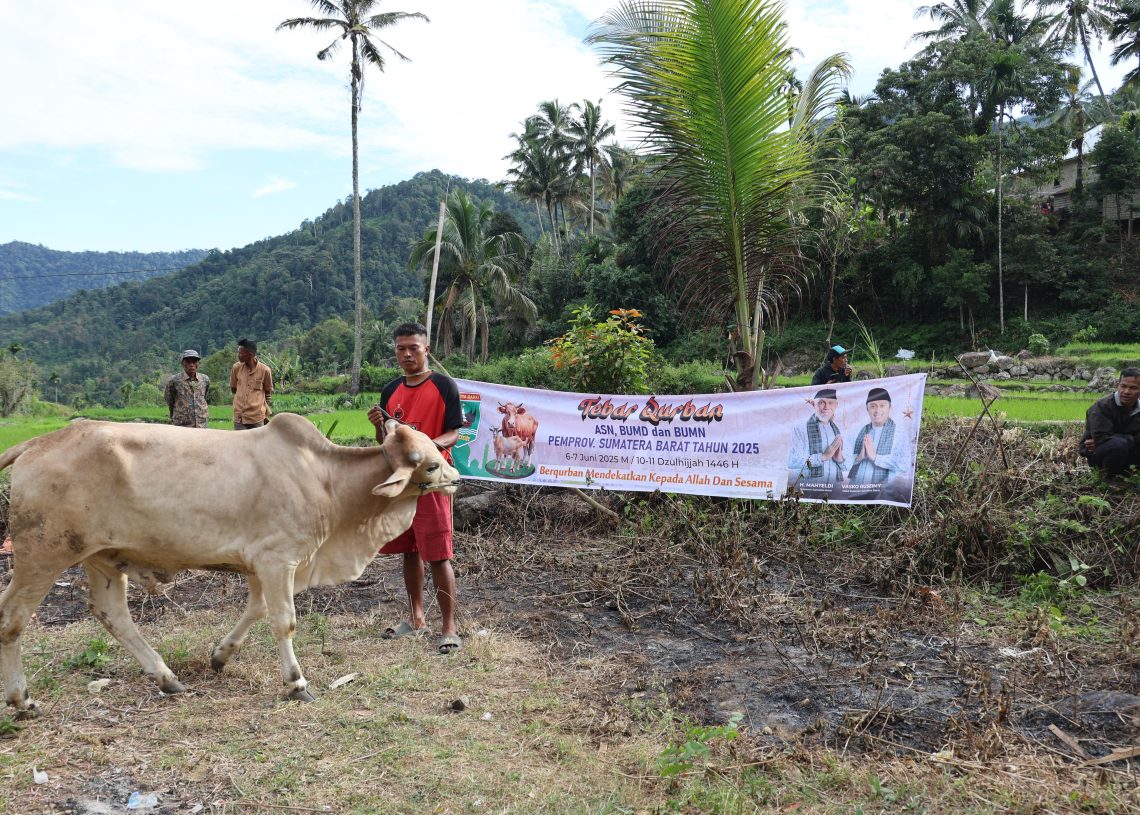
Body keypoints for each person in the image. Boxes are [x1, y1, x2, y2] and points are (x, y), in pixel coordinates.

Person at [368, 322, 465, 654]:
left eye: (413, 348)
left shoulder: (444, 386)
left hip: (432, 480)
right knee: (409, 550)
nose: (407, 354)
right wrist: (379, 427)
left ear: (427, 350)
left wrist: (426, 446)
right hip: (403, 483)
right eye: (400, 348)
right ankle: (417, 617)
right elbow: (387, 444)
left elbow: (454, 432)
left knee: (439, 555)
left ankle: (449, 627)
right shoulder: (390, 390)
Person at [843, 387, 913, 501]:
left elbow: (904, 465)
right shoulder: (859, 431)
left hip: (882, 495)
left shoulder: (899, 433)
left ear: (889, 407)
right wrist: (858, 458)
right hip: (855, 492)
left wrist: (876, 458)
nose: (877, 410)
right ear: (867, 409)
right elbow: (845, 463)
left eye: (882, 405)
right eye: (873, 406)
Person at [1079, 367, 1140, 478]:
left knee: (1120, 442)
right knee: (1118, 444)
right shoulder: (1103, 406)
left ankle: (1131, 476)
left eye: (1133, 388)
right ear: (1118, 385)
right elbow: (1102, 438)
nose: (1126, 391)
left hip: (1127, 453)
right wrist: (1133, 438)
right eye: (1123, 386)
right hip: (1099, 454)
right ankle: (1108, 477)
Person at [787, 387, 846, 495]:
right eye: (821, 403)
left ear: (836, 405)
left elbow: (849, 465)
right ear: (814, 404)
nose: (826, 407)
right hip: (807, 489)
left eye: (830, 403)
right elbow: (792, 461)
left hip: (834, 489)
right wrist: (822, 457)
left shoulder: (839, 429)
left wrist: (840, 459)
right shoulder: (800, 428)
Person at [229, 338, 273, 430]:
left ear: (250, 354)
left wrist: (263, 408)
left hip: (257, 417)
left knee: (258, 444)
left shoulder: (265, 371)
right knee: (240, 443)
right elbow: (233, 388)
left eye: (241, 353)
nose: (238, 355)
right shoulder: (236, 368)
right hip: (239, 417)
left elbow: (268, 392)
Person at [164, 349, 211, 428]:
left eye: (194, 361)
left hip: (201, 424)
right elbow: (169, 400)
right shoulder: (174, 381)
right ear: (183, 363)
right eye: (188, 362)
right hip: (182, 425)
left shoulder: (205, 379)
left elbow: (205, 397)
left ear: (198, 363)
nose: (191, 364)